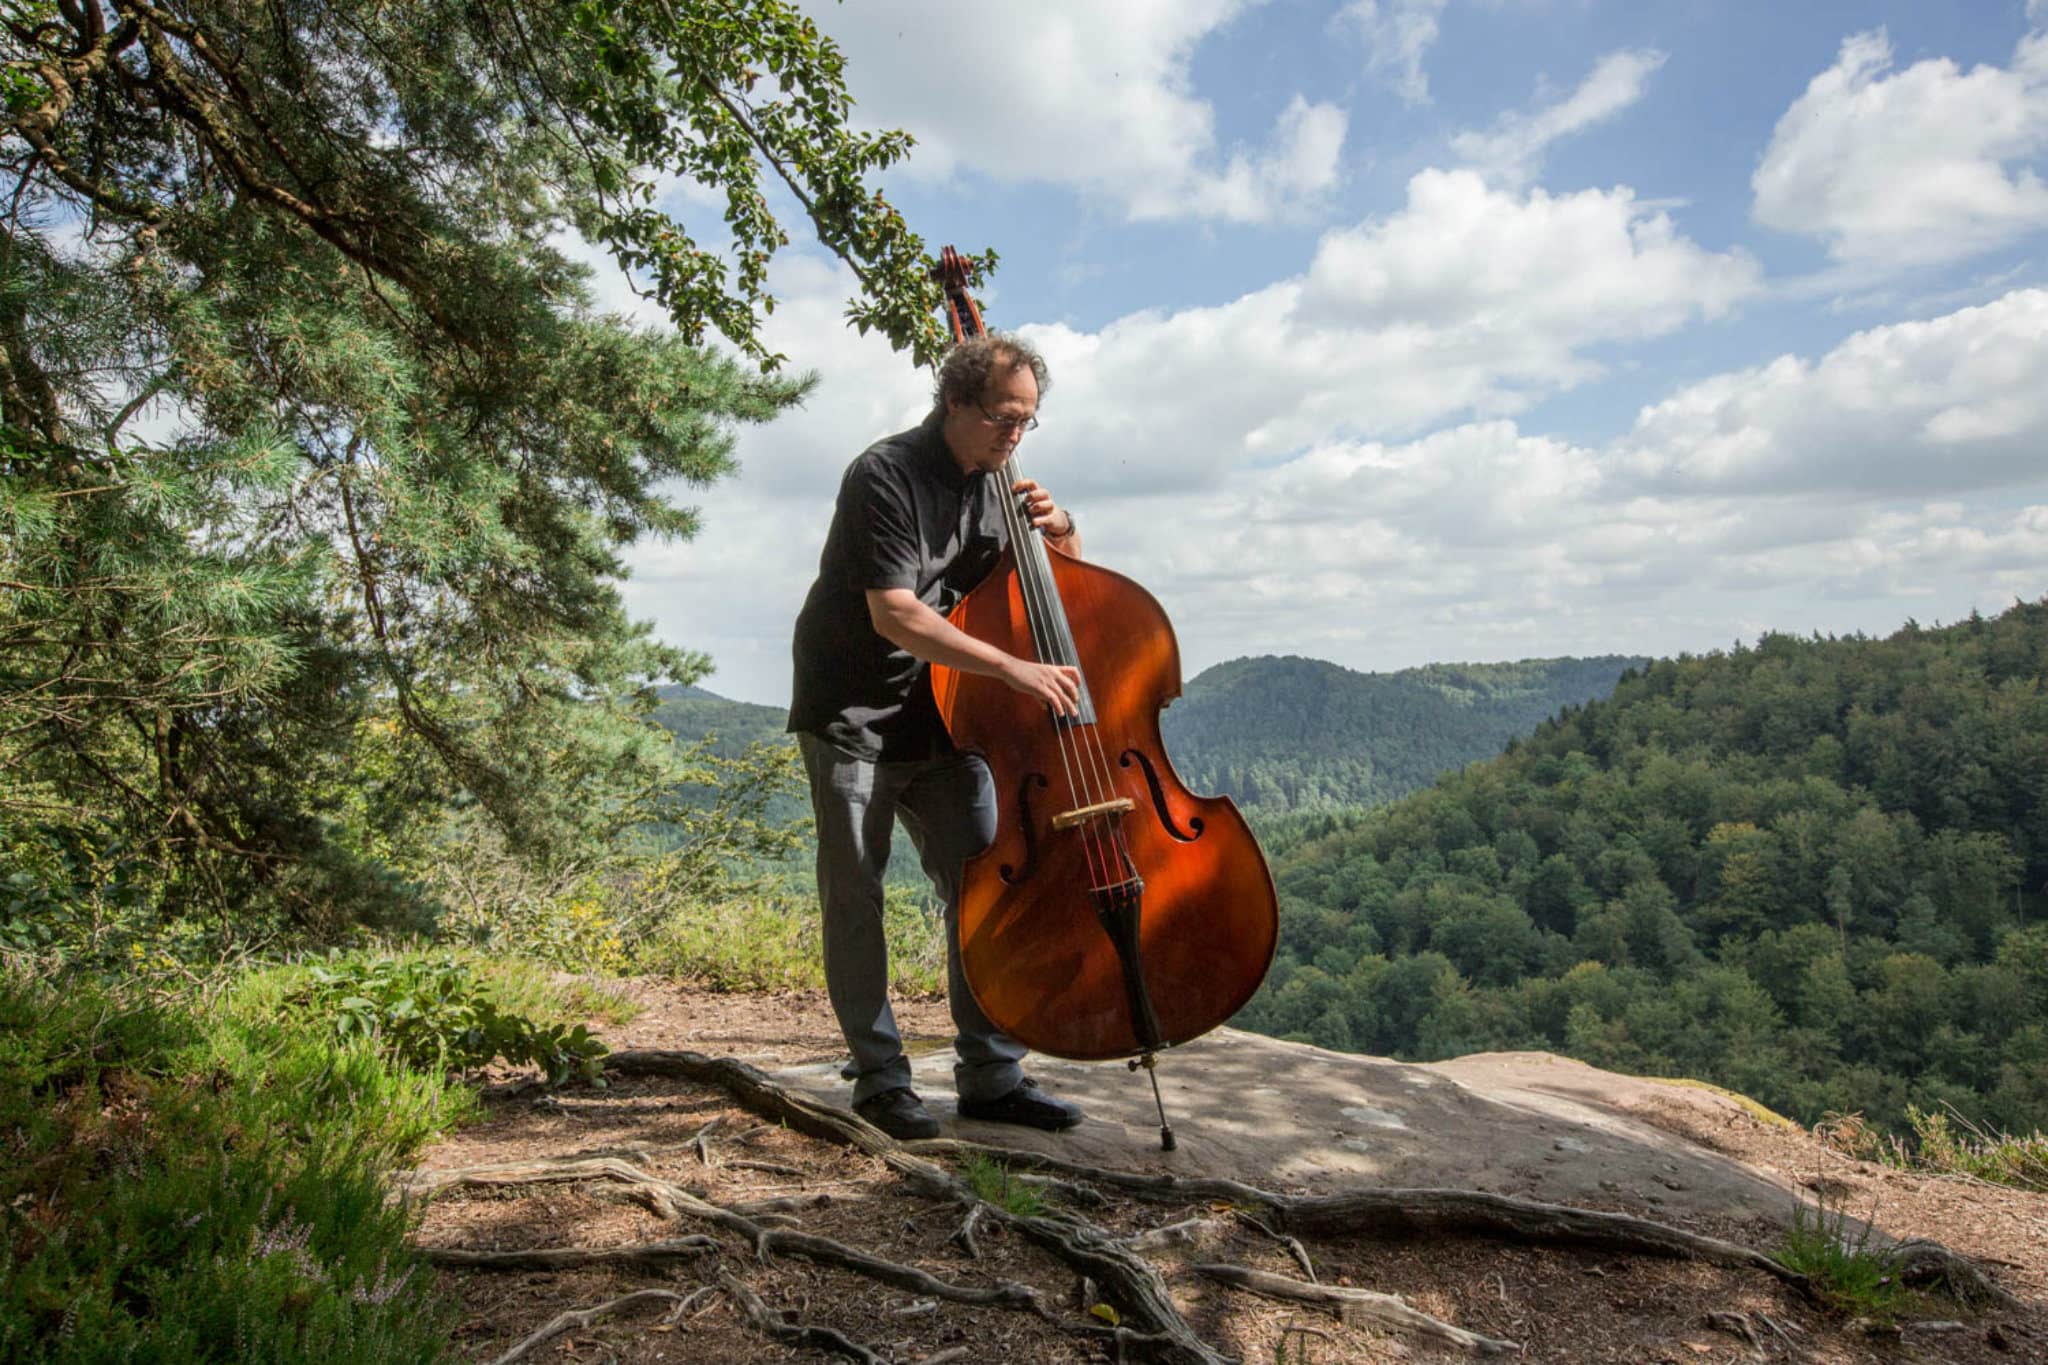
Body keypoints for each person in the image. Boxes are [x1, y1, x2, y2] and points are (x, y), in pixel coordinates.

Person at [787, 334, 1087, 1141]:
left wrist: (1061, 528)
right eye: (1001, 417)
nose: (1013, 435)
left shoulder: (999, 482)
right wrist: (1013, 670)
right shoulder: (883, 474)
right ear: (955, 402)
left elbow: (1052, 581)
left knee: (984, 884)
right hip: (852, 708)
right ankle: (881, 1080)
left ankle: (993, 1075)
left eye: (1028, 421)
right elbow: (896, 611)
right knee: (856, 895)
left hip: (947, 711)